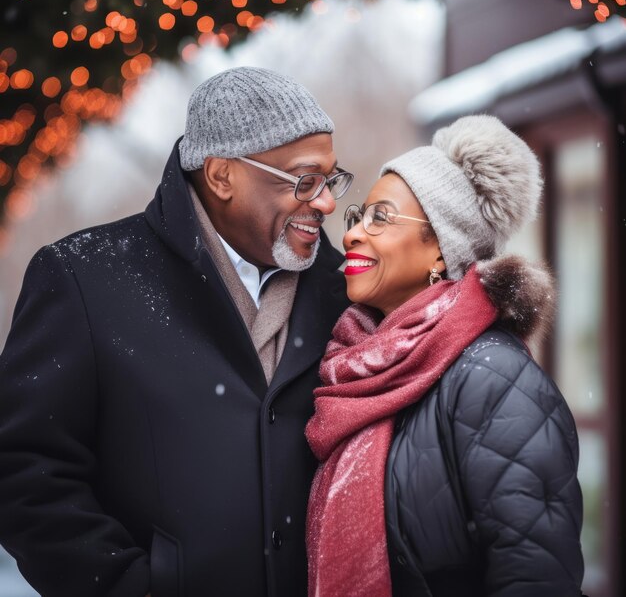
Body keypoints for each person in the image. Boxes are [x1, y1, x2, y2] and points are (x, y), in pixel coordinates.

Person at [0, 67, 354, 597]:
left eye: (331, 179)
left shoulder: (344, 291)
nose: (326, 201)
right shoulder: (84, 278)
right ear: (221, 175)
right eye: (304, 180)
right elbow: (26, 470)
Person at [305, 115, 585, 597]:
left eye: (381, 217)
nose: (351, 234)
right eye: (357, 217)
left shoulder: (493, 379)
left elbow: (535, 576)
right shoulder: (349, 369)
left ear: (441, 248)